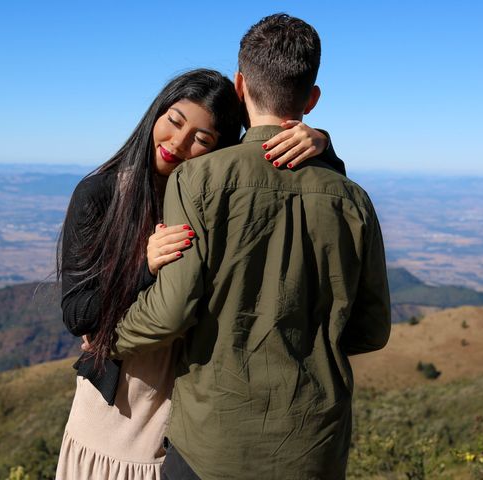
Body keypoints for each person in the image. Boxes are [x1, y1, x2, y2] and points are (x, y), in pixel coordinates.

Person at [112, 14, 391, 480]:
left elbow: (172, 309)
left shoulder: (197, 179)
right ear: (313, 98)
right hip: (314, 448)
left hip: (211, 445)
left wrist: (113, 335)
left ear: (240, 85)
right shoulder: (353, 200)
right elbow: (371, 330)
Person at [55, 68, 342, 479]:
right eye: (174, 122)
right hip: (119, 408)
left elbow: (286, 190)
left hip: (195, 401)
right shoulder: (100, 195)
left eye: (202, 140)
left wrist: (322, 146)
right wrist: (144, 265)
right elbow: (77, 314)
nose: (178, 143)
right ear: (157, 113)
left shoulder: (215, 198)